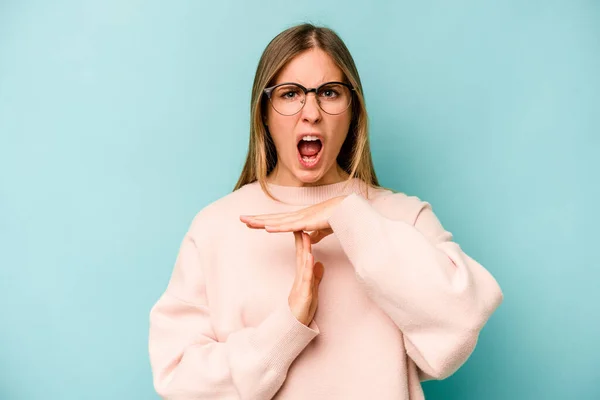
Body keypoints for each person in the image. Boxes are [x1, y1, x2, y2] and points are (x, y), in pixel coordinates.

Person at [148, 23, 503, 400]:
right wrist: (287, 327)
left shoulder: (402, 218)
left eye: (329, 93)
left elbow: (458, 327)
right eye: (290, 94)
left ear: (353, 111)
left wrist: (352, 219)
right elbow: (177, 379)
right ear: (264, 112)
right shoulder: (215, 228)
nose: (311, 112)